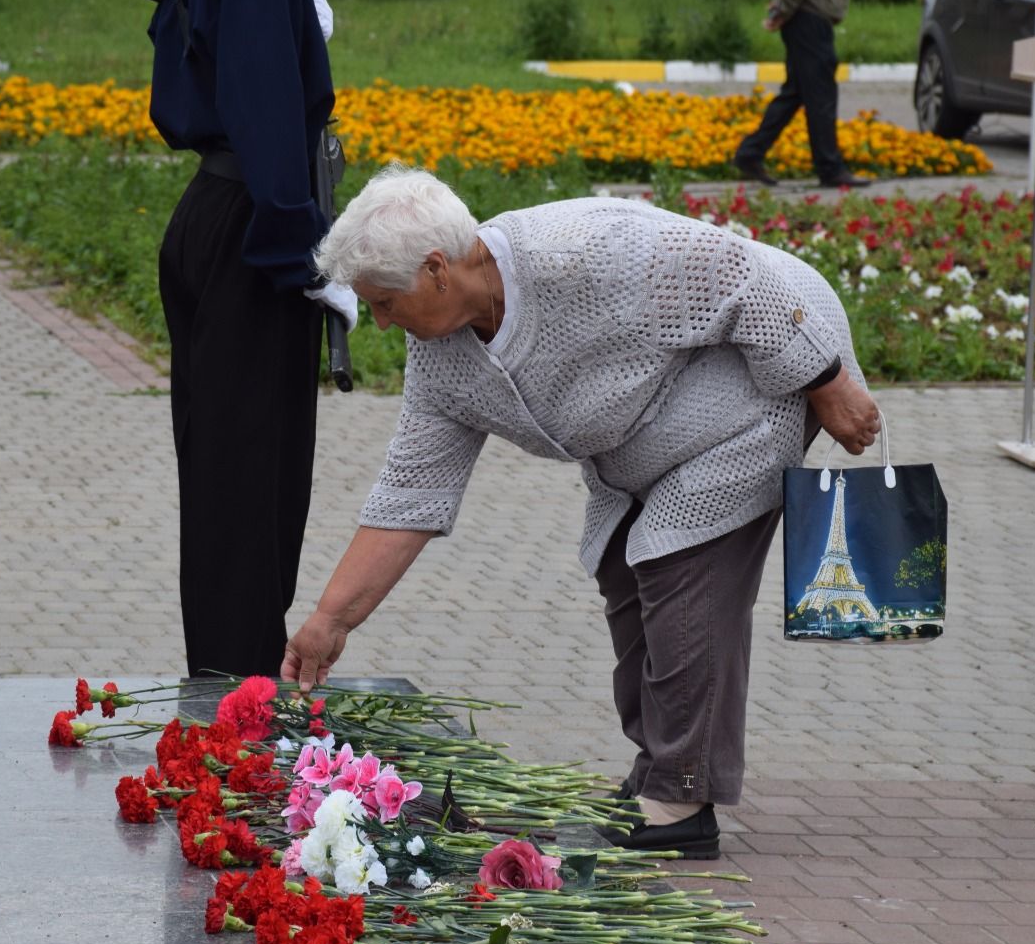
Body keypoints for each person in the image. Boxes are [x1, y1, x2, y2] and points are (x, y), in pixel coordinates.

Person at [280, 165, 880, 858]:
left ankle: (681, 800)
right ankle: (659, 767)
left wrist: (826, 381)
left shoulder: (582, 250)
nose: (381, 322)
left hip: (761, 381)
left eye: (384, 302)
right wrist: (330, 620)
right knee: (624, 564)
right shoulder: (442, 357)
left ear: (438, 270)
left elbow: (742, 277)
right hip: (648, 432)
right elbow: (412, 492)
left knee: (681, 567)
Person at [135, 0, 355, 679]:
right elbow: (264, 107)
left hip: (216, 211)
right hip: (253, 229)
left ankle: (226, 684)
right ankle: (242, 699)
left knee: (225, 475)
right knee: (251, 485)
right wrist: (303, 251)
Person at [733, 0, 870, 190]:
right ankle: (830, 169)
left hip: (800, 16)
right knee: (821, 95)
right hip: (811, 16)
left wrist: (780, 7)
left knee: (795, 92)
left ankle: (750, 153)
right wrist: (781, 9)